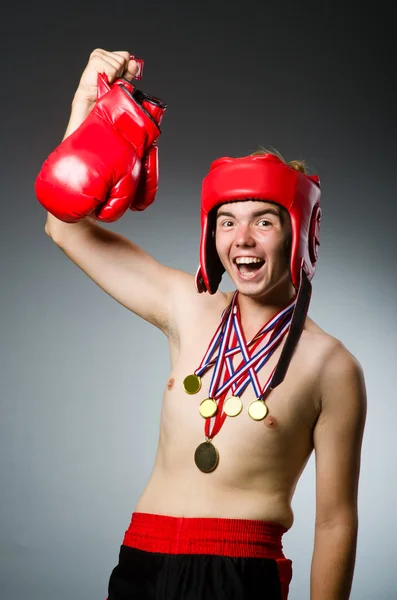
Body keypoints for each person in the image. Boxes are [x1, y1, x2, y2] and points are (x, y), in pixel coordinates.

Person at [39, 49, 367, 600]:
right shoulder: (187, 306)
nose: (242, 239)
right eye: (226, 221)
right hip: (142, 558)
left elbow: (336, 521)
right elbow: (63, 225)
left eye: (264, 220)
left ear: (299, 233)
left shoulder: (332, 365)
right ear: (211, 237)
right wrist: (86, 108)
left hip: (239, 571)